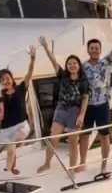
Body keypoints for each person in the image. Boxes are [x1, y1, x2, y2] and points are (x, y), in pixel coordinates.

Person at [79, 21, 112, 179]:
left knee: (104, 135)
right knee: (85, 135)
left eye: (96, 48)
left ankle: (104, 164)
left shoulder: (106, 62)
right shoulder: (83, 66)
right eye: (91, 48)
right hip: (88, 106)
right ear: (88, 50)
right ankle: (82, 162)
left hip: (102, 105)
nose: (94, 50)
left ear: (100, 50)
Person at [36, 37, 89, 174]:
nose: (72, 65)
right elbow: (53, 61)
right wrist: (46, 48)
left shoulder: (83, 81)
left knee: (73, 142)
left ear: (79, 66)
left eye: (75, 63)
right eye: (69, 63)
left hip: (75, 111)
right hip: (61, 109)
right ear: (66, 66)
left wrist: (82, 115)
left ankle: (71, 169)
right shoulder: (62, 76)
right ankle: (47, 163)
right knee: (53, 139)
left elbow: (85, 98)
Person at [0, 45, 36, 175]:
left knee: (12, 143)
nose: (5, 81)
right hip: (6, 128)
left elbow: (29, 74)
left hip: (21, 125)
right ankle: (13, 168)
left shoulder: (20, 89)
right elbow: (1, 115)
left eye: (7, 78)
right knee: (12, 148)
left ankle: (7, 168)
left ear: (12, 79)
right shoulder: (1, 95)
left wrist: (32, 60)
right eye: (2, 80)